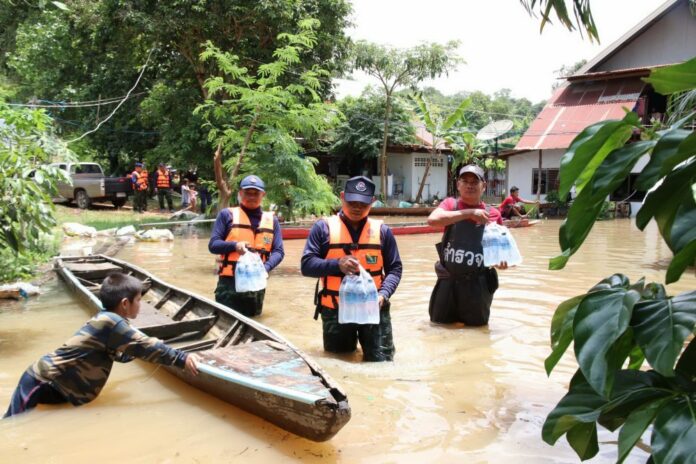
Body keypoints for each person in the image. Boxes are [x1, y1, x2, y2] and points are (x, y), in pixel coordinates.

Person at [3, 272, 199, 418]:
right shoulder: (111, 323)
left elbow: (120, 353)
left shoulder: (109, 321)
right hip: (41, 381)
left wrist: (136, 352)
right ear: (124, 303)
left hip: (58, 386)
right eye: (138, 300)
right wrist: (182, 358)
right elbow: (145, 345)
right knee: (11, 425)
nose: (141, 304)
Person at [300, 176, 402, 362]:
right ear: (341, 197)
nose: (357, 207)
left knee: (382, 362)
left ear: (372, 202)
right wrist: (336, 264)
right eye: (352, 201)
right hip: (335, 310)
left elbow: (395, 269)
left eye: (363, 204)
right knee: (339, 361)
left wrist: (384, 294)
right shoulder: (323, 228)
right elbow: (306, 266)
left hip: (374, 309)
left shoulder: (383, 232)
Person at [427, 165, 507, 326]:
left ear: (483, 186)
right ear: (458, 185)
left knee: (477, 332)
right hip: (448, 282)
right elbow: (432, 220)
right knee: (438, 328)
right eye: (465, 181)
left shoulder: (494, 214)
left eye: (475, 182)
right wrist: (469, 213)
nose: (470, 185)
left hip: (477, 286)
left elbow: (499, 251)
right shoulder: (451, 205)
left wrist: (501, 262)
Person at [208, 175, 284, 317]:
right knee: (224, 321)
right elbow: (213, 245)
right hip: (229, 283)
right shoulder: (227, 215)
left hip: (257, 284)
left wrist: (265, 269)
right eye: (247, 192)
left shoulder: (271, 220)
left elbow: (279, 252)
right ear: (240, 193)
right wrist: (234, 245)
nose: (251, 196)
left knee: (254, 321)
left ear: (263, 195)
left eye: (256, 193)